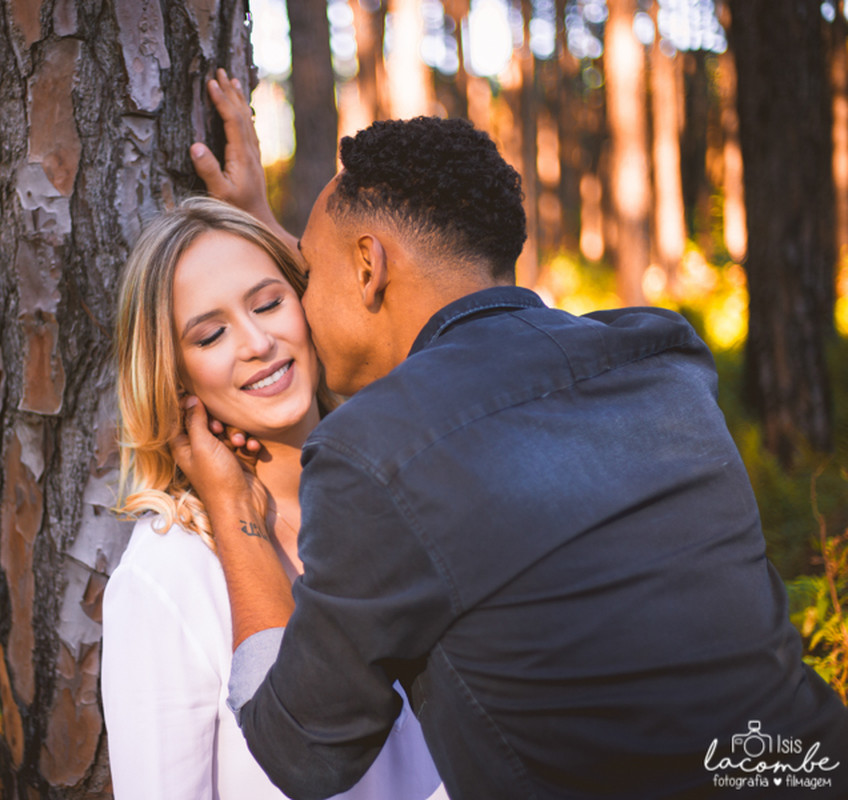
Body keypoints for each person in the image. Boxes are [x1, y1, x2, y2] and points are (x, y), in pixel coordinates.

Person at [170, 71, 848, 798]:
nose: (297, 306)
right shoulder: (661, 359)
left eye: (304, 270)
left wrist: (235, 513)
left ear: (367, 266)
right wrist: (263, 237)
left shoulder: (373, 453)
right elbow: (483, 329)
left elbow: (301, 753)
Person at [100, 195, 447, 800]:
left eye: (269, 302)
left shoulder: (416, 497)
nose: (258, 342)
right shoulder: (165, 578)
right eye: (210, 335)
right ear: (174, 377)